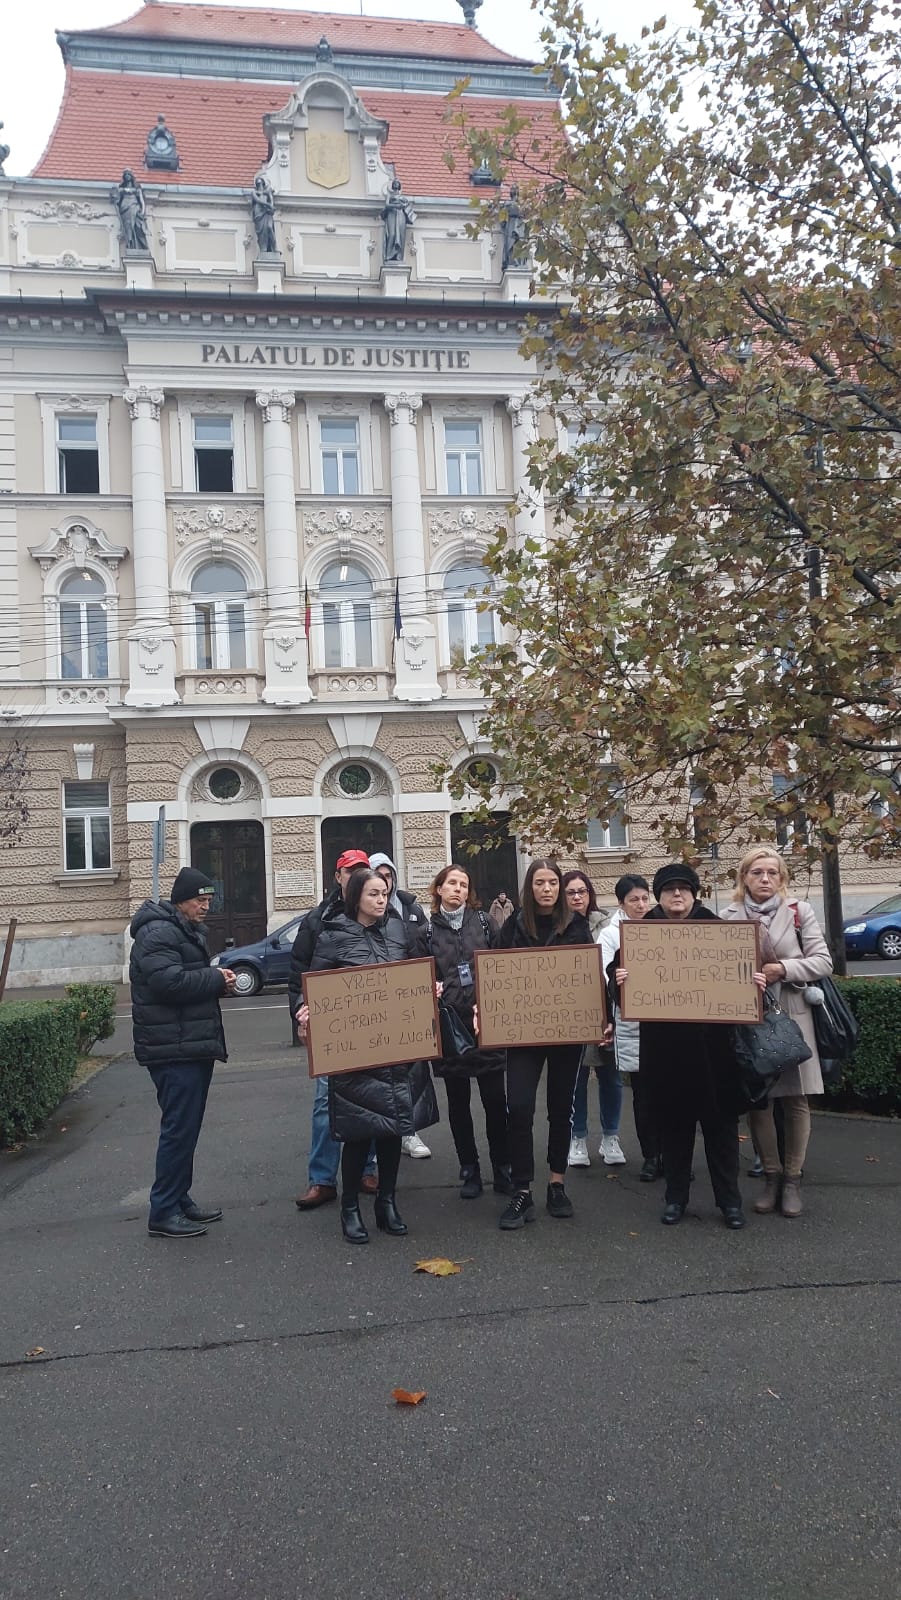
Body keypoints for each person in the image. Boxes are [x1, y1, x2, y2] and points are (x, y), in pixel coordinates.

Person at [296, 868, 438, 1244]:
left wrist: (429, 990)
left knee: (393, 1129)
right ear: (357, 895)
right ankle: (350, 1208)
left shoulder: (398, 931)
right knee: (358, 1132)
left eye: (385, 893)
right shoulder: (333, 936)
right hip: (356, 1053)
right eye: (375, 893)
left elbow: (413, 974)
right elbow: (311, 987)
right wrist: (304, 1010)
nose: (382, 899)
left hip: (398, 1048)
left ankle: (387, 1203)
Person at [619, 863, 762, 1230]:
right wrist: (617, 979)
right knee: (674, 1130)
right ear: (659, 895)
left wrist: (753, 981)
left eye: (683, 888)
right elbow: (620, 992)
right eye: (669, 890)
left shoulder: (715, 929)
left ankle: (730, 1202)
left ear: (695, 894)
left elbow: (739, 977)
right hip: (666, 1052)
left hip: (714, 1052)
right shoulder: (641, 933)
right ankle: (675, 1199)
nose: (677, 895)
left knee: (721, 1132)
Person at [722, 848, 832, 1217]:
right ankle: (770, 1177)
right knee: (760, 1101)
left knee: (796, 1099)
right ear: (744, 878)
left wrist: (780, 969)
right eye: (757, 872)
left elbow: (822, 961)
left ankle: (792, 1180)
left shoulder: (799, 913)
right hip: (750, 1020)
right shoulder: (729, 916)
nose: (765, 879)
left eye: (772, 872)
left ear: (782, 878)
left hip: (793, 1018)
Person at [129, 867, 236, 1238]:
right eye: (199, 900)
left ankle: (178, 1198)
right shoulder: (159, 932)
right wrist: (215, 979)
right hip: (172, 1049)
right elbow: (167, 982)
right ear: (180, 901)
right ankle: (162, 1211)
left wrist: (213, 981)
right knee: (178, 1130)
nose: (205, 907)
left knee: (186, 1128)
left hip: (186, 1043)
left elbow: (182, 978)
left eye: (208, 900)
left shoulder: (180, 929)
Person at [494, 859, 594, 1229]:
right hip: (523, 1033)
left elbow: (587, 977)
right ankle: (522, 1189)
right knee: (518, 1107)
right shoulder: (514, 926)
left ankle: (556, 1182)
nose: (548, 889)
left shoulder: (577, 926)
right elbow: (496, 976)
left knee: (559, 1108)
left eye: (553, 882)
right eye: (540, 882)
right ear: (530, 888)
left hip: (566, 1032)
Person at [412, 863, 512, 1200]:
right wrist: (429, 990)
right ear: (438, 889)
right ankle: (469, 1169)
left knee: (496, 1102)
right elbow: (414, 984)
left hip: (486, 1026)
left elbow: (503, 966)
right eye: (451, 883)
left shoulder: (485, 923)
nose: (458, 889)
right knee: (459, 1105)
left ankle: (503, 1168)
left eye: (464, 884)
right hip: (450, 1030)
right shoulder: (425, 935)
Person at [290, 849, 377, 1210]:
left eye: (363, 871)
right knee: (327, 1103)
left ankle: (367, 1169)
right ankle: (322, 1179)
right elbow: (300, 972)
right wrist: (300, 1013)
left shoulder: (380, 917)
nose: (356, 876)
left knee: (372, 1098)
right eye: (350, 871)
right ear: (338, 876)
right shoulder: (317, 920)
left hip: (374, 1024)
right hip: (332, 1027)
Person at [597, 874, 663, 1182]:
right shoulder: (611, 934)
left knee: (670, 1092)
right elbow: (604, 973)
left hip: (665, 1017)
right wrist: (617, 978)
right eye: (633, 899)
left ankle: (673, 1153)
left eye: (644, 898)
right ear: (621, 902)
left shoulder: (661, 926)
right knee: (643, 1093)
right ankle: (651, 1154)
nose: (641, 904)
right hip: (632, 1019)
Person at [368, 851, 431, 1158]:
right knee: (378, 1075)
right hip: (375, 1006)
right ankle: (381, 1136)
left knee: (408, 1073)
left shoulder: (411, 909)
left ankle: (408, 1132)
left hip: (407, 1002)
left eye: (388, 875)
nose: (385, 881)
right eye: (378, 875)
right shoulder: (363, 914)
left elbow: (424, 948)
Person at [562, 871, 621, 1167]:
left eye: (581, 892)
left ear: (590, 894)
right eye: (571, 892)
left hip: (607, 1010)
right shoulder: (557, 928)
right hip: (572, 1012)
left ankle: (611, 1137)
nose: (577, 897)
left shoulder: (608, 924)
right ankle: (578, 1138)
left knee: (611, 1076)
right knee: (577, 1078)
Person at [111, 170, 148, 251]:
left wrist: (142, 211)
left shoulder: (137, 188)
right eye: (125, 174)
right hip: (125, 209)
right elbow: (117, 199)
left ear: (131, 176)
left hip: (134, 207)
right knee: (128, 226)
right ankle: (130, 244)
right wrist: (115, 199)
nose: (127, 175)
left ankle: (139, 245)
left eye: (128, 174)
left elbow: (142, 201)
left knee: (137, 226)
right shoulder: (121, 189)